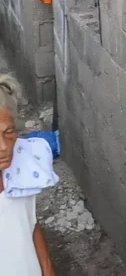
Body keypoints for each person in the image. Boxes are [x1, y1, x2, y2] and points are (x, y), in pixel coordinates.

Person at [0, 74, 55, 276]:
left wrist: (47, 269)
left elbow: (29, 222)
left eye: (8, 133)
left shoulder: (20, 172)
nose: (3, 147)